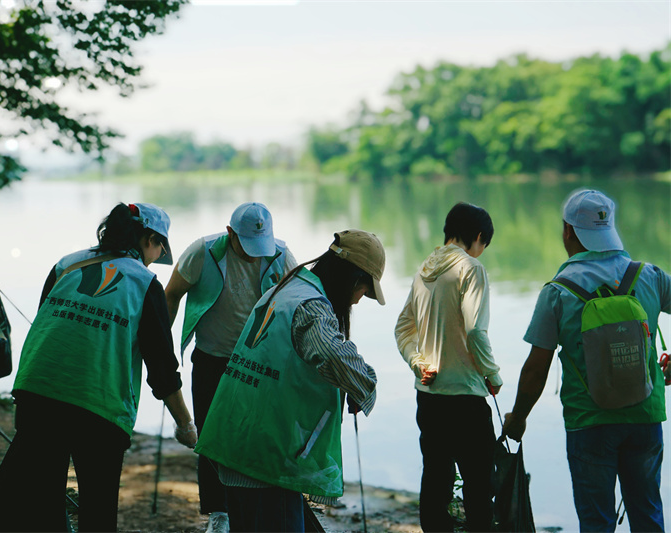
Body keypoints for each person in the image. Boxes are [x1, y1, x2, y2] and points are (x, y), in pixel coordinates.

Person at [0, 202, 197, 533]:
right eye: (159, 248)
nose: (156, 257)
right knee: (97, 510)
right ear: (148, 239)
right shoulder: (144, 282)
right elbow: (162, 369)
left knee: (39, 496)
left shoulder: (67, 264)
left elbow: (46, 318)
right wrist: (185, 424)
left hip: (38, 392)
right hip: (98, 407)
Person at [195, 229, 384, 533]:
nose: (360, 300)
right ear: (352, 277)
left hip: (238, 445)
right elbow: (332, 354)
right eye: (364, 289)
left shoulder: (288, 287)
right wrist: (365, 388)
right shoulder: (311, 305)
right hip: (263, 458)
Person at [502, 189, 670, 532]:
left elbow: (536, 369)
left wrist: (518, 419)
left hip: (589, 421)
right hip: (645, 416)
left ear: (567, 231)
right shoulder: (649, 275)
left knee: (596, 521)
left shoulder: (558, 291)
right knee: (648, 514)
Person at [164, 201, 297, 533]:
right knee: (210, 437)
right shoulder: (203, 252)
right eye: (248, 246)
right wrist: (161, 345)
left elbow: (299, 304)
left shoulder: (280, 255)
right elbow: (171, 294)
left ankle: (257, 503)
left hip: (260, 362)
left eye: (261, 246)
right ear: (230, 233)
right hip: (212, 357)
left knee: (259, 434)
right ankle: (217, 511)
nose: (256, 255)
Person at [394, 202, 500, 532]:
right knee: (480, 483)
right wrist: (492, 373)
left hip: (429, 395)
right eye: (484, 244)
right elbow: (474, 330)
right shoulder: (470, 268)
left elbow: (403, 329)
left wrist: (417, 362)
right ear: (479, 237)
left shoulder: (424, 270)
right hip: (465, 396)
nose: (481, 251)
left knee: (436, 480)